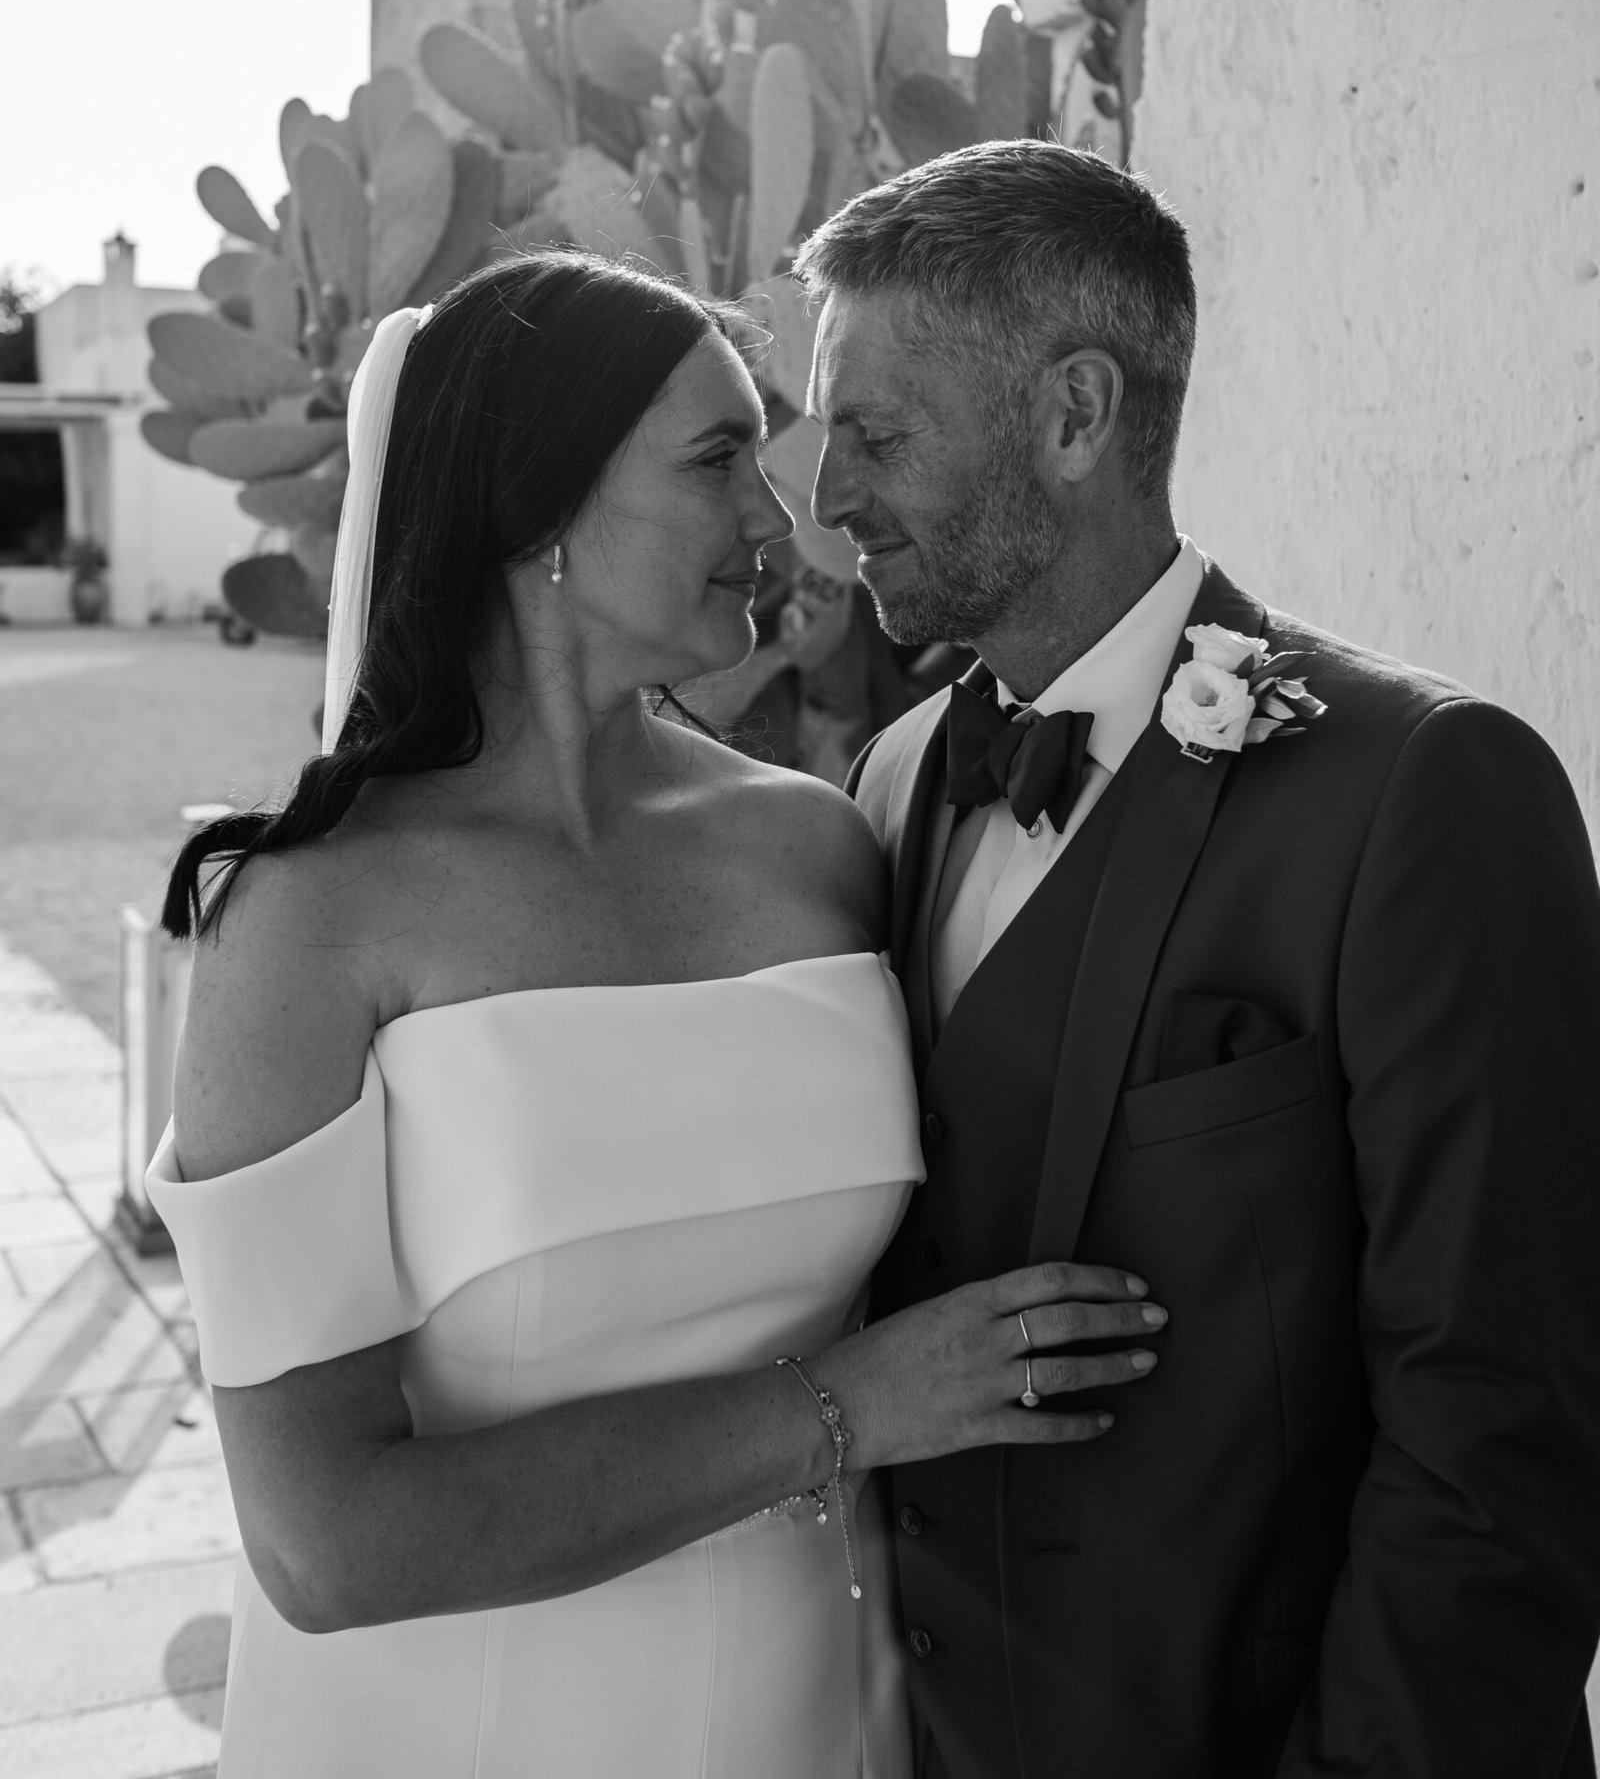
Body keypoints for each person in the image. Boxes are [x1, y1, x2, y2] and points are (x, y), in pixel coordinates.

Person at [145, 250, 1166, 1779]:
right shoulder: (309, 921)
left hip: (817, 1705)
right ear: (532, 505)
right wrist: (844, 1409)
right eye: (715, 462)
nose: (779, 520)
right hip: (463, 1727)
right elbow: (327, 1543)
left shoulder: (820, 846)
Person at [795, 141, 1600, 1779]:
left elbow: (1503, 1415)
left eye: (876, 436)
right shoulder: (885, 785)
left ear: (1076, 416)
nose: (829, 502)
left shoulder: (1424, 787)